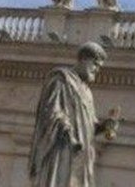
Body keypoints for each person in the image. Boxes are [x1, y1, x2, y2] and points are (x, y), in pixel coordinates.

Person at [29, 42, 120, 187]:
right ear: (84, 59)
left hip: (82, 157)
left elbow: (87, 125)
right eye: (95, 64)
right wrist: (66, 129)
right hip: (63, 148)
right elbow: (51, 111)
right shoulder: (61, 80)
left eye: (99, 67)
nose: (97, 70)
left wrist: (104, 126)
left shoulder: (87, 93)